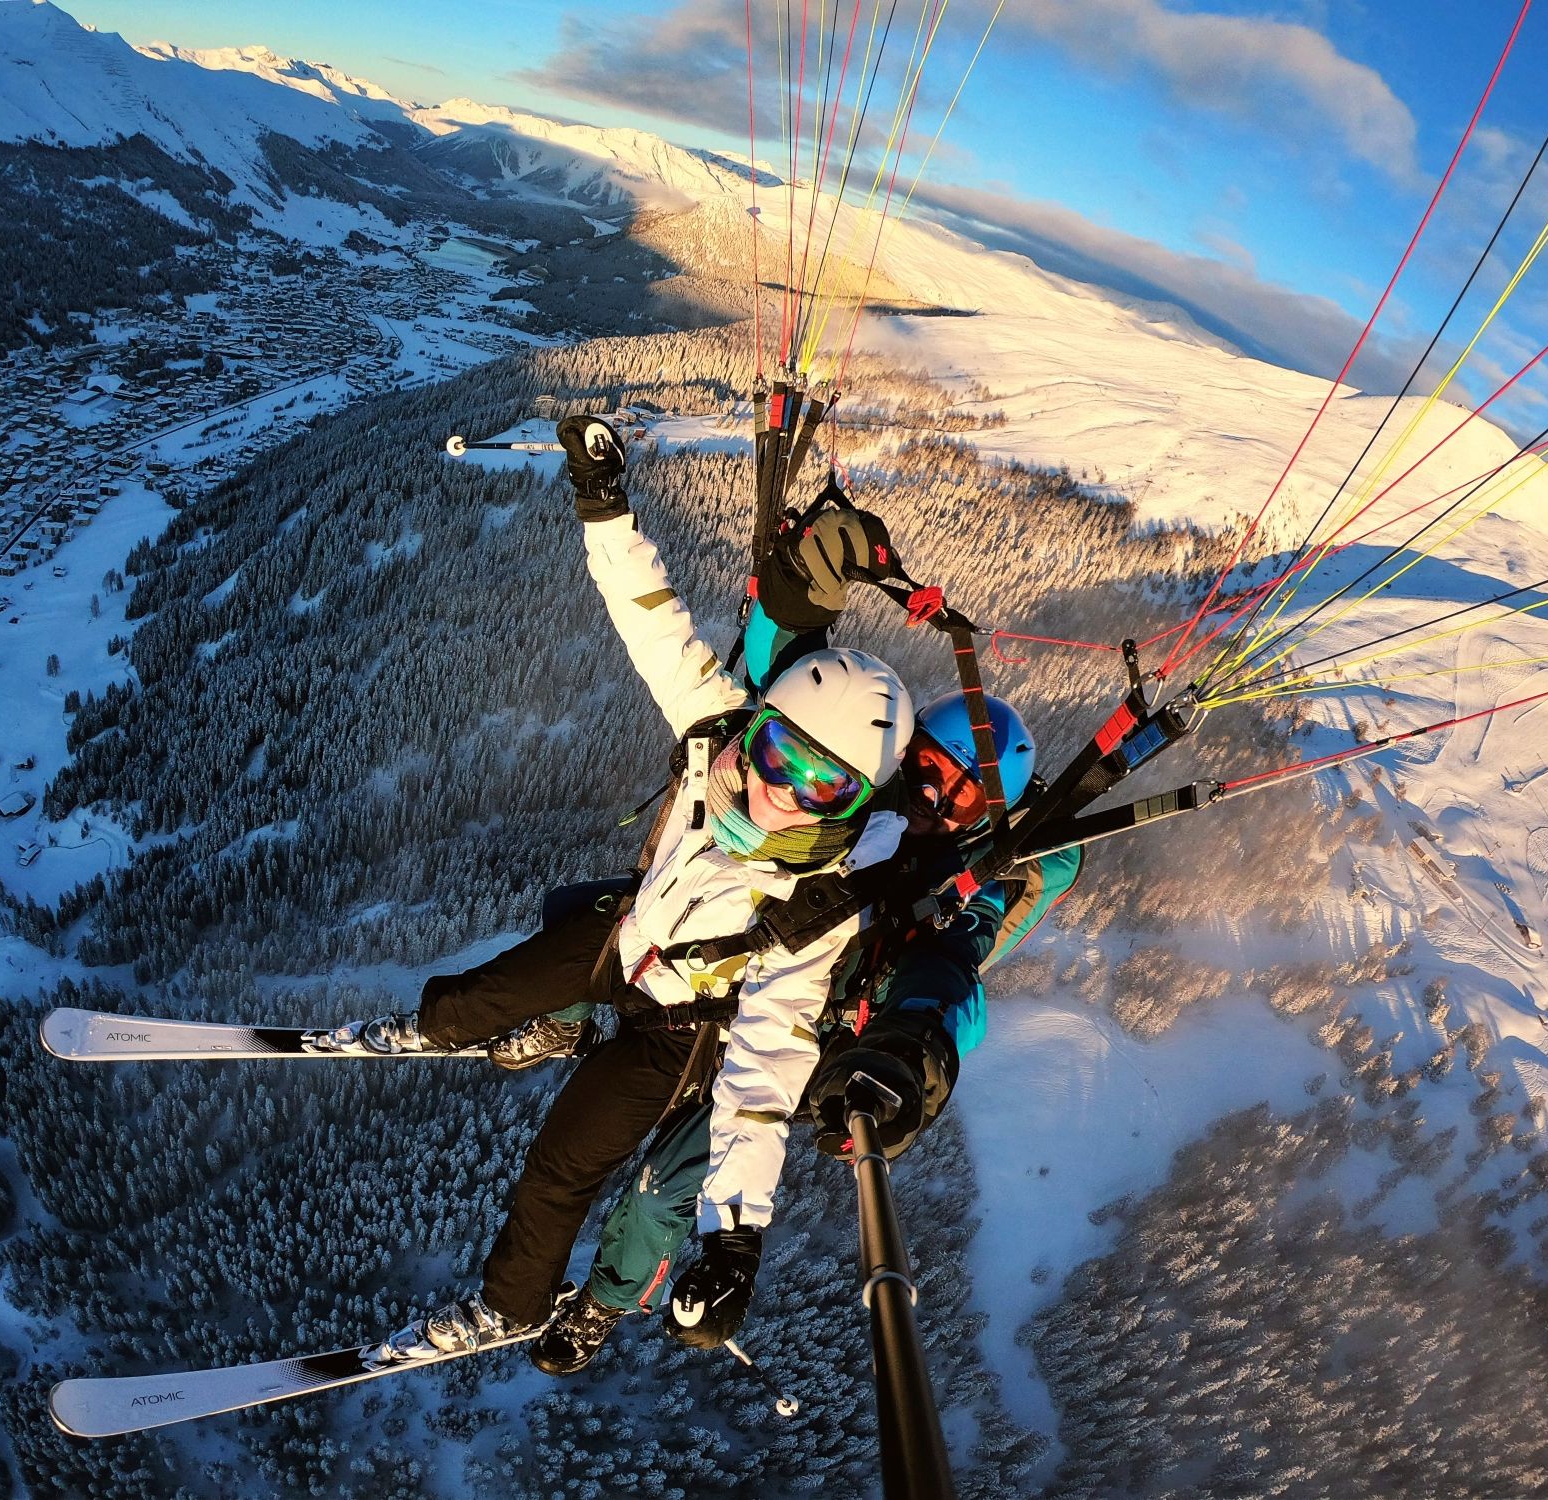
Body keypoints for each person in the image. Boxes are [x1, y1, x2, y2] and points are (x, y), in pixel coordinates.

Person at [320, 415, 920, 1363]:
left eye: (821, 787)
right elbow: (653, 622)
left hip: (676, 1029)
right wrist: (603, 506)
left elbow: (766, 1065)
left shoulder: (815, 906)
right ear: (757, 725)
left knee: (560, 1165)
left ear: (855, 802)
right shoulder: (716, 732)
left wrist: (734, 1235)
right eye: (777, 754)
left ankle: (511, 1305)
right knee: (488, 990)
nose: (778, 791)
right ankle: (433, 1027)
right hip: (628, 939)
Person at [528, 685, 1086, 1374]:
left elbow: (948, 962)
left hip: (800, 1037)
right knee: (582, 917)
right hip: (748, 952)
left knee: (661, 1188)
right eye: (928, 769)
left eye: (960, 796)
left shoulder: (968, 884)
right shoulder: (862, 792)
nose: (931, 798)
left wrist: (916, 1038)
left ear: (984, 820)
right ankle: (563, 1025)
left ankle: (603, 1303)